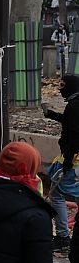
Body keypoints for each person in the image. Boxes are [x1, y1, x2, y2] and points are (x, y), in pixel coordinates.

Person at [44, 74, 79, 252]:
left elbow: (74, 135)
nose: (60, 89)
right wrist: (53, 115)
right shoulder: (74, 104)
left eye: (63, 85)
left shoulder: (73, 106)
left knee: (56, 194)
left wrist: (67, 160)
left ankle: (63, 236)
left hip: (73, 159)